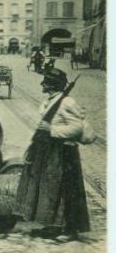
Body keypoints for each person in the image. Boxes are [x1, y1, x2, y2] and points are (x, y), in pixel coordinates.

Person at [16, 67, 91, 241]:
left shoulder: (67, 102)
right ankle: (55, 224)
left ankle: (70, 229)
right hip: (50, 150)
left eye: (46, 81)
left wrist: (52, 129)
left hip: (65, 151)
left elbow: (77, 128)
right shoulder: (51, 100)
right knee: (50, 189)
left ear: (51, 84)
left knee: (68, 189)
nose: (42, 84)